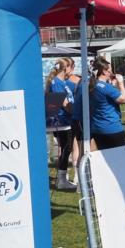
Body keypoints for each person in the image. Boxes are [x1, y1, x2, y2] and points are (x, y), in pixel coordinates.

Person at [45, 59, 76, 189]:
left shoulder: (63, 82)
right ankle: (62, 180)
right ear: (65, 68)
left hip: (67, 120)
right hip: (62, 121)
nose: (72, 71)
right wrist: (77, 109)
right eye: (71, 68)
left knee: (67, 148)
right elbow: (64, 104)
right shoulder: (57, 83)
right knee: (66, 148)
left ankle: (62, 178)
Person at [85, 58, 125, 150]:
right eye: (110, 70)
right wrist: (121, 83)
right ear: (104, 71)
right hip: (112, 128)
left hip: (97, 128)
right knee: (120, 159)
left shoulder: (92, 84)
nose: (111, 72)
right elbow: (124, 99)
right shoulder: (105, 87)